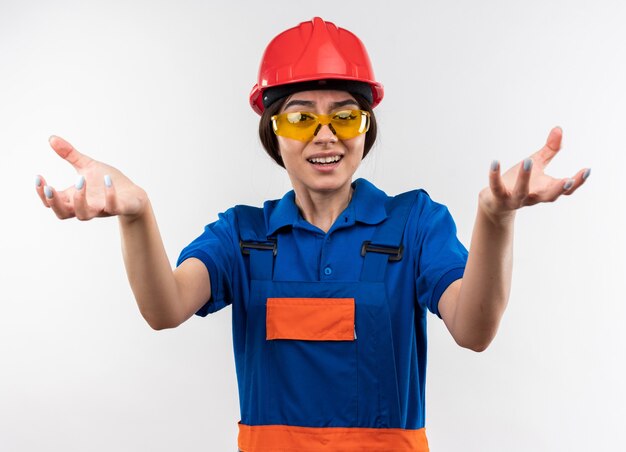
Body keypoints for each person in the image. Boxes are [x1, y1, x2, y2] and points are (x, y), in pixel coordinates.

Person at [36, 17, 589, 452]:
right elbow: (166, 307)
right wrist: (138, 215)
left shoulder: (415, 223)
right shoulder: (242, 235)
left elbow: (474, 328)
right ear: (273, 132)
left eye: (345, 117)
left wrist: (495, 219)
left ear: (365, 128)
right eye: (301, 118)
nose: (326, 136)